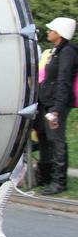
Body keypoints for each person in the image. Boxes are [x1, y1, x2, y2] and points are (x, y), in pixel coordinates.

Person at [35, 16, 76, 195]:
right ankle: (44, 177)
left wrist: (57, 110)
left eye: (51, 30)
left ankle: (59, 182)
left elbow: (64, 81)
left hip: (56, 105)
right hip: (47, 102)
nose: (48, 32)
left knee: (57, 140)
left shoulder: (67, 52)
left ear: (59, 34)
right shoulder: (56, 51)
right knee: (44, 137)